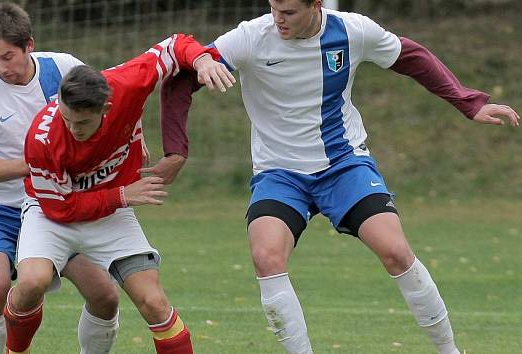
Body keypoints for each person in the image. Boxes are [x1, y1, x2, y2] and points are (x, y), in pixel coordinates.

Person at [154, 1, 521, 353]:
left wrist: (468, 102)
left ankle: (449, 350)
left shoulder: (352, 31)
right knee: (266, 257)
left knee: (395, 251)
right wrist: (176, 149)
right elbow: (180, 80)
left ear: (315, 5)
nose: (277, 19)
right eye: (273, 9)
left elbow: (411, 56)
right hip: (279, 173)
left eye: (288, 12)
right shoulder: (250, 37)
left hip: (343, 164)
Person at [2, 35, 231, 354]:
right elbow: (62, 209)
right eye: (66, 117)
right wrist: (122, 195)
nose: (72, 128)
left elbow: (174, 45)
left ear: (106, 109)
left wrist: (202, 60)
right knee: (29, 284)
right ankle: (14, 350)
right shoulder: (41, 139)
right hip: (52, 212)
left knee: (154, 302)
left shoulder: (127, 84)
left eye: (82, 122)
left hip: (111, 212)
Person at [0, 3, 122, 353]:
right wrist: (40, 163)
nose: (1, 68)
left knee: (105, 295)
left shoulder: (63, 68)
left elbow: (110, 104)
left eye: (8, 57)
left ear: (29, 44)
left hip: (53, 206)